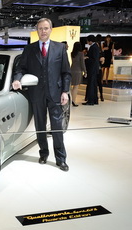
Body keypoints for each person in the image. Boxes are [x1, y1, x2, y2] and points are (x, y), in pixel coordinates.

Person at [12, 18, 71, 172]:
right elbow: (21, 68)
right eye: (40, 28)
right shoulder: (29, 49)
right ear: (36, 30)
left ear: (51, 30)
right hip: (36, 93)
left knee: (57, 127)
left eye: (46, 28)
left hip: (55, 94)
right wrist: (17, 79)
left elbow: (66, 72)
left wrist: (65, 91)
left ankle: (61, 158)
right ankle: (43, 153)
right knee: (40, 126)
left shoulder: (60, 48)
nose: (43, 31)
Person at [83, 35, 100, 106]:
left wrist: (87, 58)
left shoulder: (93, 47)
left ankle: (90, 101)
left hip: (92, 68)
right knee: (94, 85)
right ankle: (95, 99)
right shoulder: (95, 46)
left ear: (90, 41)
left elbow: (94, 59)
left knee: (91, 85)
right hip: (94, 68)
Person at [70, 42, 87, 107]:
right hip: (78, 71)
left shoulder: (72, 53)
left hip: (72, 70)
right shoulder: (81, 54)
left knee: (71, 87)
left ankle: (70, 100)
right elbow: (82, 63)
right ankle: (73, 101)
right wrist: (85, 71)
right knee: (76, 87)